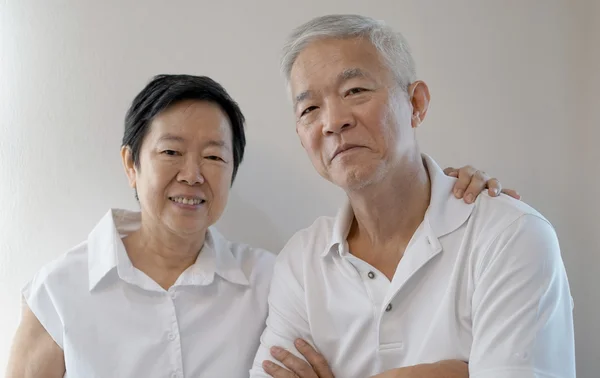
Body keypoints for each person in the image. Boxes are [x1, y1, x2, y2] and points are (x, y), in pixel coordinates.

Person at [5, 74, 514, 378]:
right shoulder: (60, 291)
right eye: (170, 153)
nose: (192, 174)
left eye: (213, 156)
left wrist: (453, 198)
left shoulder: (275, 279)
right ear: (131, 164)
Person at [251, 14, 575, 378]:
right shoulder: (301, 260)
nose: (332, 121)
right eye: (309, 109)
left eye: (355, 91)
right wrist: (452, 373)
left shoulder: (510, 233)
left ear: (416, 103)